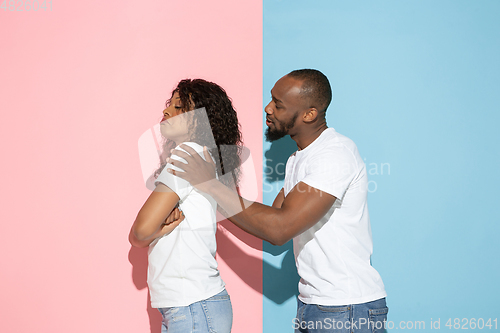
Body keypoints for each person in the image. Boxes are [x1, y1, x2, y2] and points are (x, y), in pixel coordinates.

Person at [166, 69, 388, 332]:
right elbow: (267, 218)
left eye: (278, 105)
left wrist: (210, 184)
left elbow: (278, 229)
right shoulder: (298, 159)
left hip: (346, 307)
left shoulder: (334, 155)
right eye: (271, 99)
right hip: (316, 304)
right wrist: (202, 201)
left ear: (309, 114)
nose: (267, 108)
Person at [129, 78, 242, 333]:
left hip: (193, 306)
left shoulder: (188, 154)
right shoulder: (200, 155)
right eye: (170, 105)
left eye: (180, 107)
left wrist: (155, 230)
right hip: (192, 307)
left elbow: (139, 232)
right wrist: (151, 231)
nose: (167, 111)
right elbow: (140, 234)